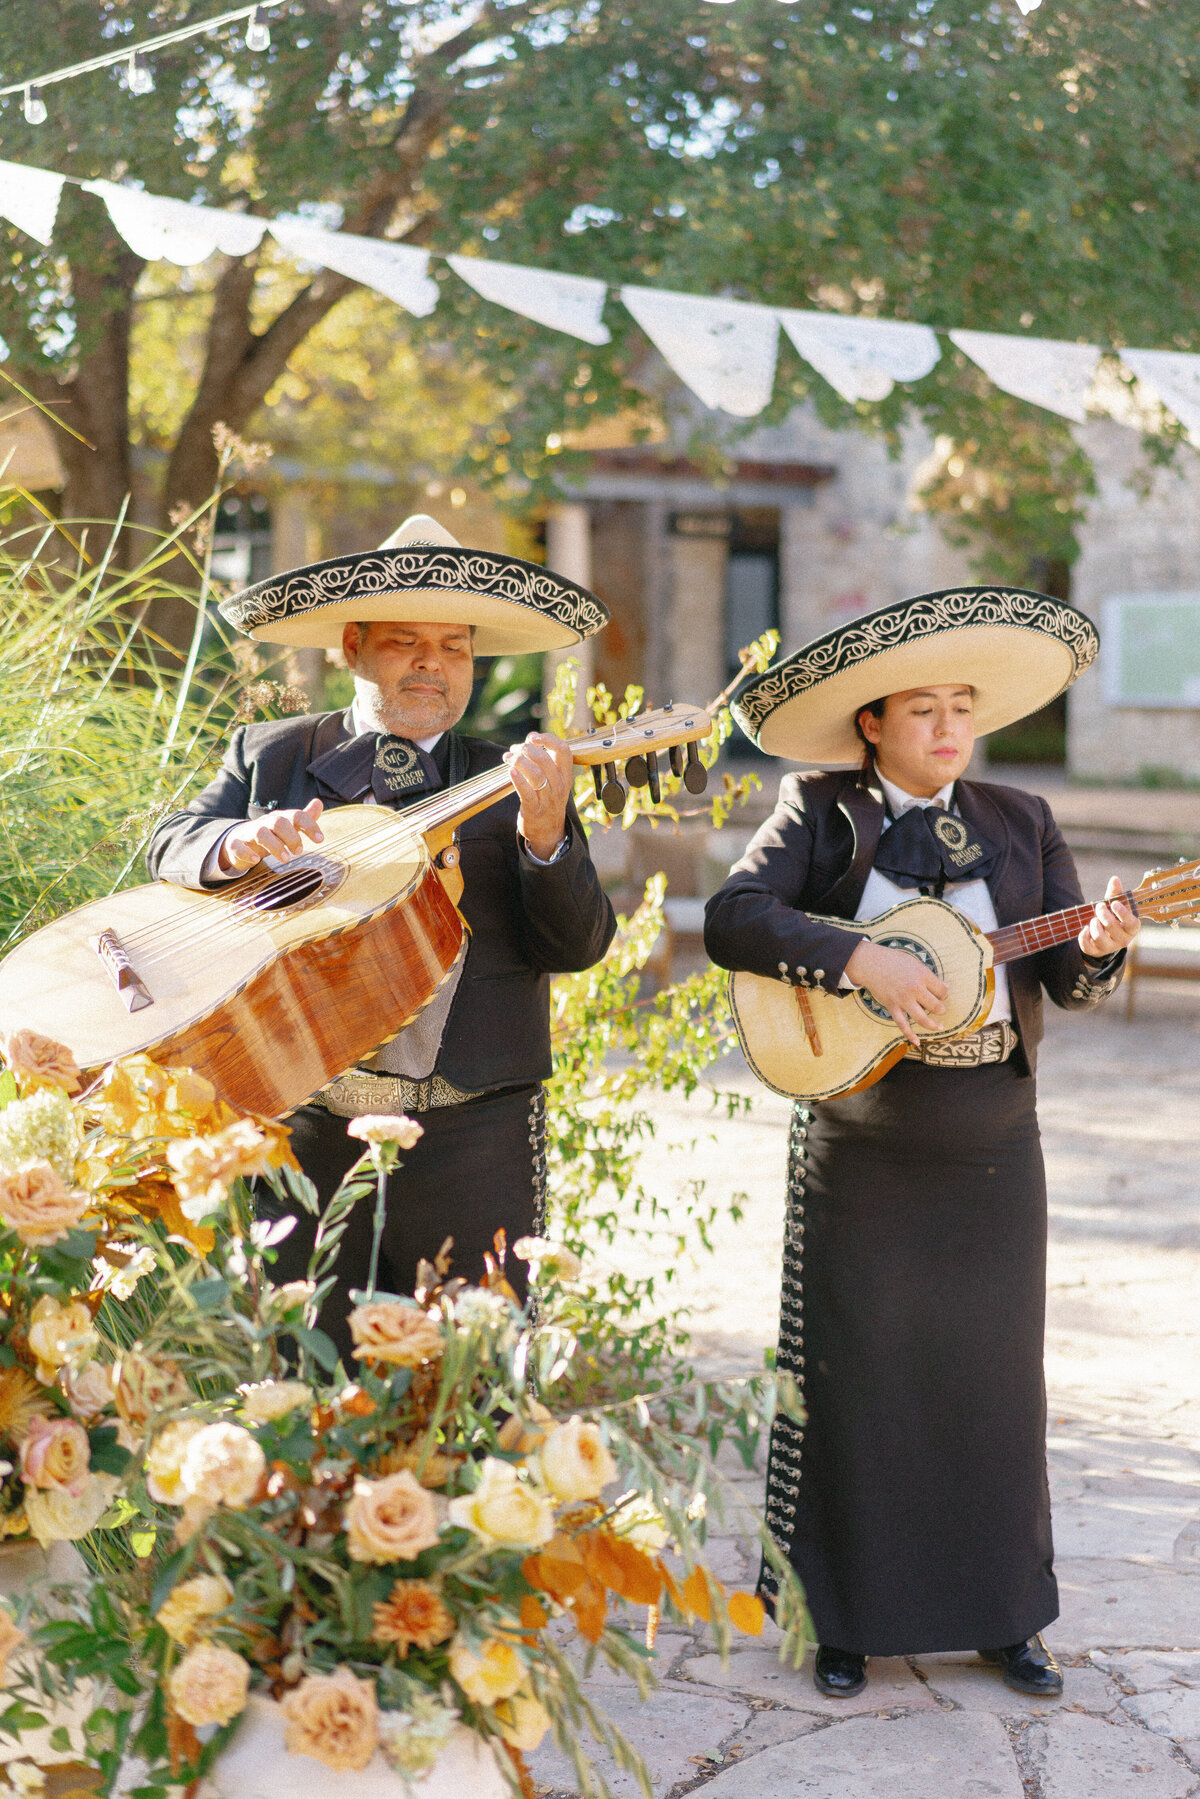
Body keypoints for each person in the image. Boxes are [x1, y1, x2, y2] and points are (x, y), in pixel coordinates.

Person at [704, 586, 1139, 1701]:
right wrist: (859, 960)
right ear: (872, 723)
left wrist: (1101, 944)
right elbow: (735, 917)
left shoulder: (1022, 818)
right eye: (924, 708)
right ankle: (844, 1617)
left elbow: (1071, 984)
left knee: (993, 1384)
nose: (950, 727)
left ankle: (1004, 1617)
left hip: (995, 1141)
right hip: (863, 1141)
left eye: (963, 707)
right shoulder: (820, 809)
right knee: (858, 1381)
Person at [148, 515, 616, 1355]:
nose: (432, 663)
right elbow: (169, 841)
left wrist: (547, 841)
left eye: (455, 645)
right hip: (307, 1130)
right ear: (351, 647)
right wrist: (236, 845)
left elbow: (578, 946)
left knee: (473, 1394)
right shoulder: (272, 757)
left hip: (475, 1132)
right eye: (405, 642)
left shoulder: (518, 775)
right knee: (297, 1376)